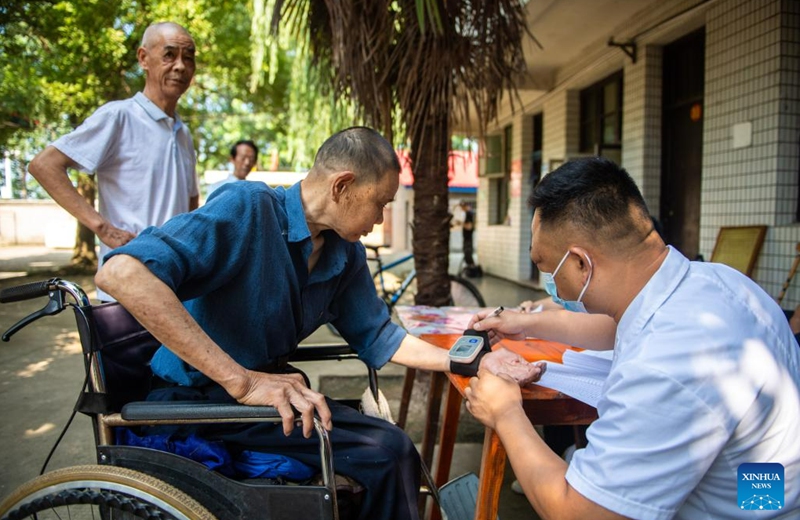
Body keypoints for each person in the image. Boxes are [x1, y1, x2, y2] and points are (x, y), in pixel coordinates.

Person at [95, 127, 545, 520]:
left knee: (390, 446)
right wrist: (245, 382)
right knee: (387, 452)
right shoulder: (247, 207)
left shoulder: (342, 252)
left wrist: (469, 362)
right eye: (379, 204)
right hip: (195, 402)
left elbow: (378, 336)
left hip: (264, 402)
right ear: (343, 186)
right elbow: (121, 273)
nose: (380, 219)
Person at [465, 157, 800, 519]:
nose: (549, 281)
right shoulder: (716, 281)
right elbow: (618, 326)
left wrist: (507, 413)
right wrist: (526, 322)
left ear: (581, 264)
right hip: (766, 489)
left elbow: (579, 513)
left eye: (546, 267)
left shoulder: (665, 364)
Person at [28, 22, 199, 301]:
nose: (180, 66)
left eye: (188, 57)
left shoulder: (184, 133)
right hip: (127, 288)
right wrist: (102, 228)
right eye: (169, 55)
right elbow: (44, 165)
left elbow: (191, 202)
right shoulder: (119, 117)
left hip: (177, 286)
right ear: (143, 58)